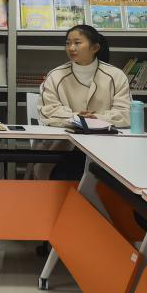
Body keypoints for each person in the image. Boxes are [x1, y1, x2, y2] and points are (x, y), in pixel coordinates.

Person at [37, 24, 131, 179]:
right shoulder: (55, 76)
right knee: (67, 174)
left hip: (108, 149)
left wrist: (96, 119)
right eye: (68, 43)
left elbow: (125, 113)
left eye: (77, 43)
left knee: (111, 179)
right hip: (64, 148)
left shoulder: (116, 76)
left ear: (95, 48)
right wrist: (77, 118)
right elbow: (48, 112)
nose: (71, 48)